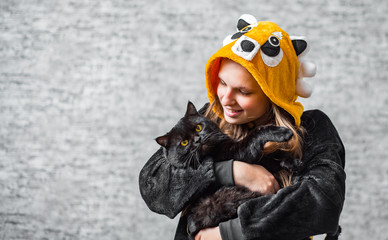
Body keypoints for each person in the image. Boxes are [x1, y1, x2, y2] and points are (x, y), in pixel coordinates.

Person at [139, 15, 345, 240]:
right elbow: (153, 184)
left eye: (243, 91)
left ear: (273, 94)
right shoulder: (208, 118)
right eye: (222, 82)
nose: (226, 99)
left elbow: (323, 200)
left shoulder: (313, 128)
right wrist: (231, 171)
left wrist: (228, 233)